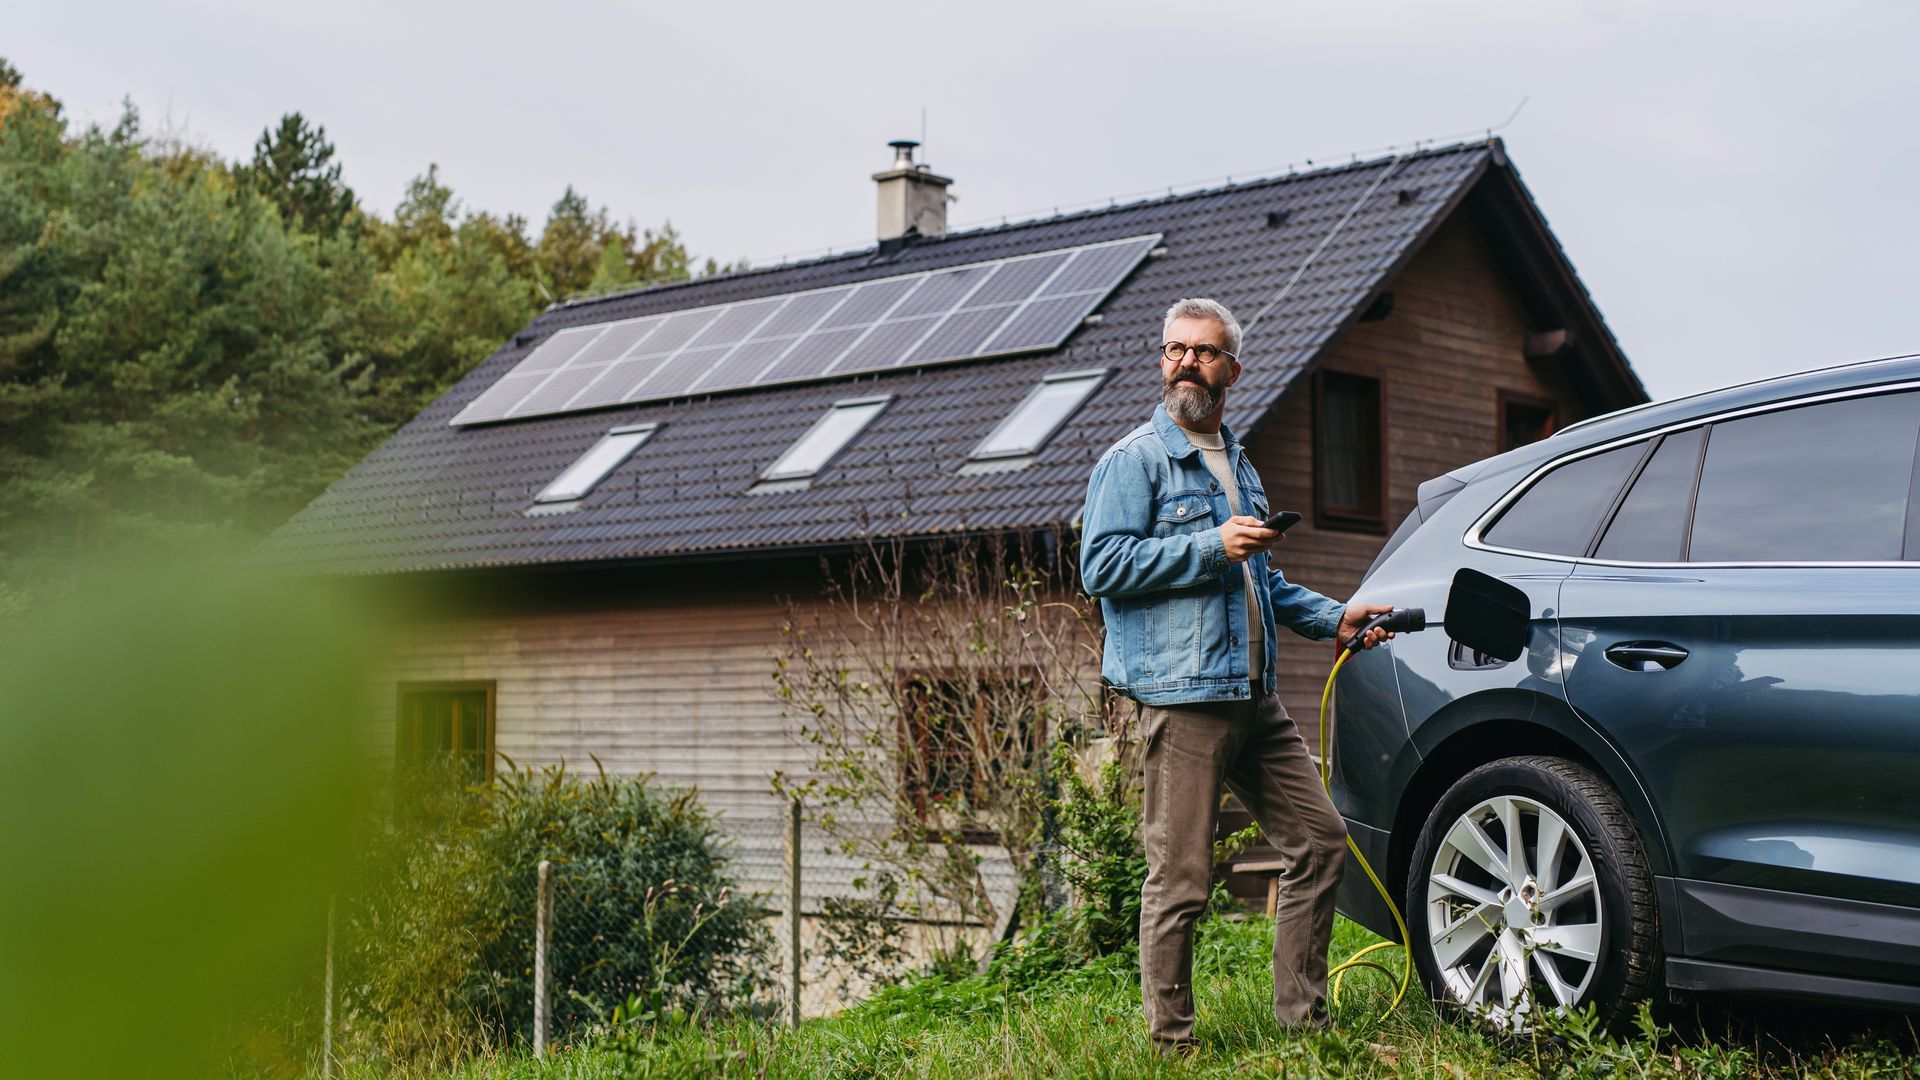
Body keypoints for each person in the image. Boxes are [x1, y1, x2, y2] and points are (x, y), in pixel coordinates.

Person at [1079, 297, 1395, 1053]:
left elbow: (1264, 581)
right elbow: (1101, 567)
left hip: (1255, 697)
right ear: (1163, 362)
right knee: (1181, 880)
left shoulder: (1237, 461)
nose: (1186, 362)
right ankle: (1173, 1046)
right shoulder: (1134, 462)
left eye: (1203, 351)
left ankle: (1304, 1023)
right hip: (1184, 701)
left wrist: (1336, 618)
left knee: (1320, 845)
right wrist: (1208, 548)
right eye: (1174, 349)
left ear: (1232, 370)